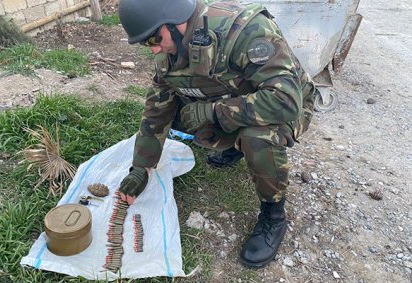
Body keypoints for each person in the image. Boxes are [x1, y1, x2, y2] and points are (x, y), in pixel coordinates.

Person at [117, 0, 318, 268]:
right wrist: (141, 168)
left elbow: (285, 101)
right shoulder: (169, 52)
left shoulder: (246, 30)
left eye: (155, 38)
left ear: (176, 21)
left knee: (256, 137)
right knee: (178, 116)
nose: (154, 48)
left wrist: (213, 112)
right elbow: (157, 110)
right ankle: (235, 146)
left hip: (289, 106)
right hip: (240, 97)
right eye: (146, 43)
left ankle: (274, 215)